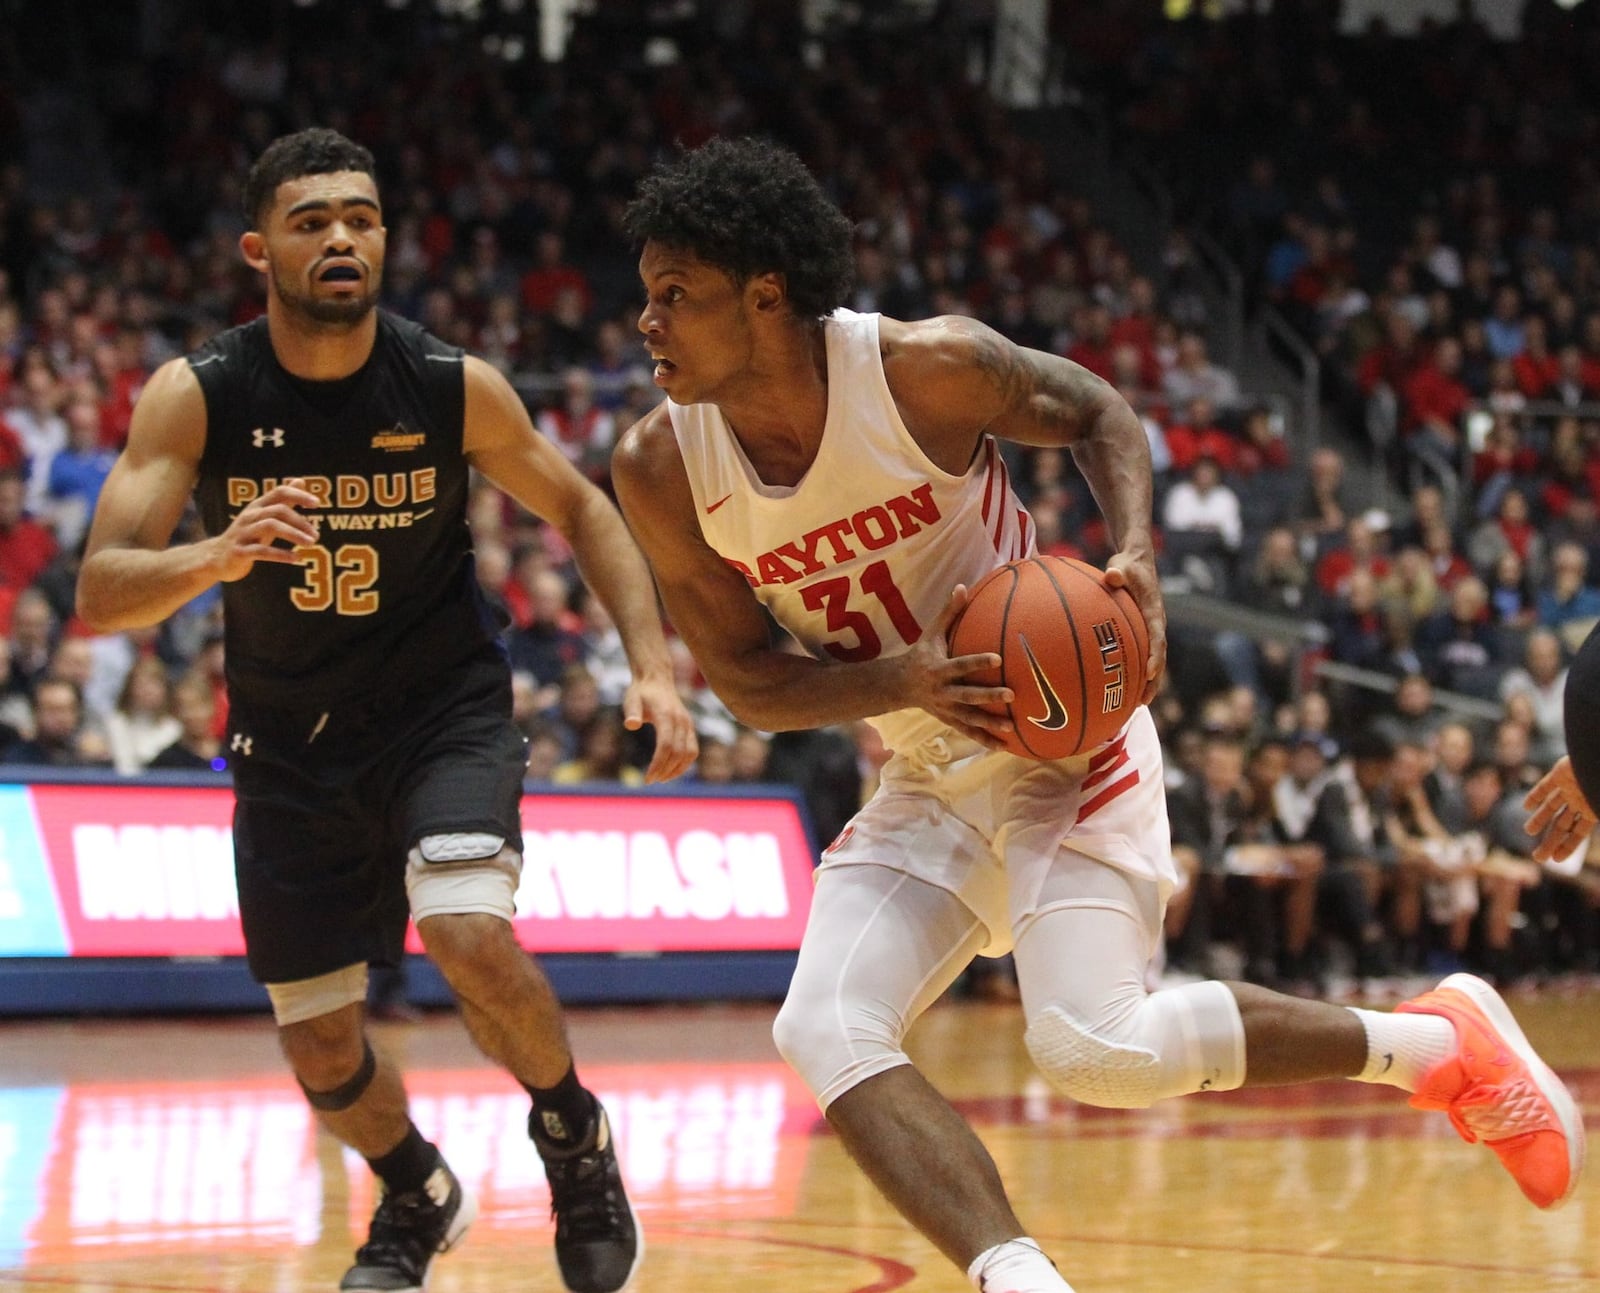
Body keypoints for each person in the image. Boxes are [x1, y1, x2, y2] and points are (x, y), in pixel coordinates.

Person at [609, 136, 1584, 1293]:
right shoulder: (661, 467)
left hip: (1063, 738)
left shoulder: (925, 370)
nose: (646, 323)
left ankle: (1437, 1047)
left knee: (1094, 1047)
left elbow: (1100, 412)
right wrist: (905, 682)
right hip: (926, 764)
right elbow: (746, 679)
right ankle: (1021, 1281)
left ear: (765, 296)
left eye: (675, 296)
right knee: (821, 1026)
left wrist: (1132, 555)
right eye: (646, 298)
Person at [76, 128, 697, 1293]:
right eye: (313, 221)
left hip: (439, 712)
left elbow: (587, 510)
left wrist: (651, 668)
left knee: (463, 925)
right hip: (284, 744)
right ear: (262, 251)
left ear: (387, 239)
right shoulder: (198, 395)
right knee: (318, 1044)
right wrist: (214, 554)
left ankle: (572, 1138)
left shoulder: (449, 382)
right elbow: (101, 588)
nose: (343, 237)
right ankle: (416, 1192)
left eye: (360, 216)